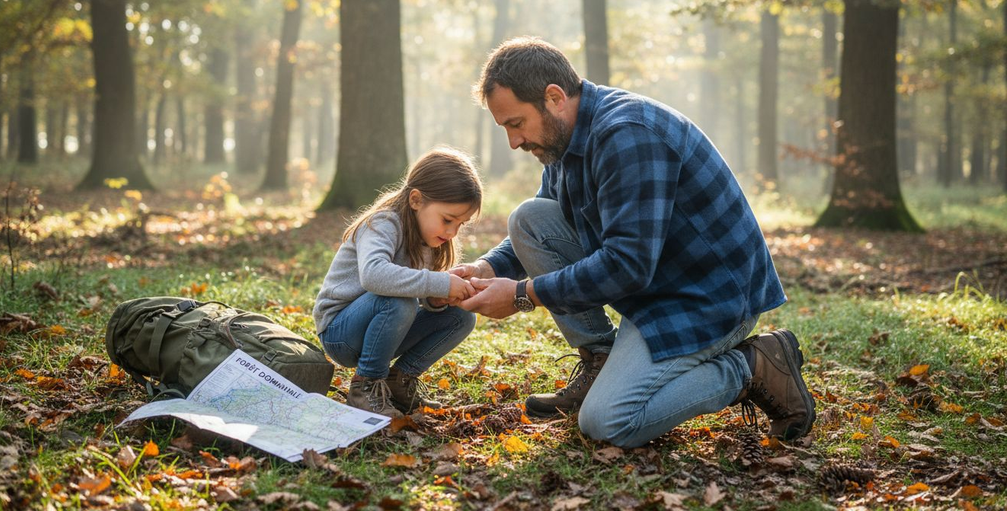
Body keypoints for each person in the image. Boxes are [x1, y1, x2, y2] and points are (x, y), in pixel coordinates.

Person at [455, 37, 815, 448]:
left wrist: (522, 295)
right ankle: (601, 359)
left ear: (553, 97)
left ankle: (751, 368)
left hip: (707, 300)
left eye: (516, 124)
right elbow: (545, 219)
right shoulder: (564, 140)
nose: (514, 142)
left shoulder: (627, 134)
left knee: (608, 423)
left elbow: (626, 264)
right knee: (528, 218)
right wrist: (488, 269)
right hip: (653, 288)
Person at [313, 147, 481, 418]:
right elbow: (375, 276)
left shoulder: (429, 238)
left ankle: (398, 383)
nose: (452, 232)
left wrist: (436, 300)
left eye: (460, 224)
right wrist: (438, 283)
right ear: (416, 200)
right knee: (398, 301)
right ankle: (365, 386)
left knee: (461, 317)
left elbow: (416, 288)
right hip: (341, 333)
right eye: (448, 220)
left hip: (385, 325)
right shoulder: (383, 223)